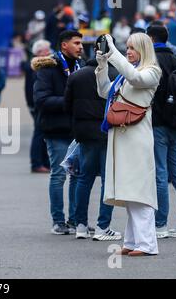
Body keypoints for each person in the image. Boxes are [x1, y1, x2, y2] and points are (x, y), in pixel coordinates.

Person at [95, 33, 162, 256]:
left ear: (144, 49)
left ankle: (147, 244)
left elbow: (135, 78)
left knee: (139, 190)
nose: (128, 51)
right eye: (128, 47)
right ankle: (133, 241)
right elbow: (104, 91)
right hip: (124, 135)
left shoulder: (152, 71)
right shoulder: (127, 73)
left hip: (137, 137)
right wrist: (102, 64)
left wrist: (112, 52)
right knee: (130, 189)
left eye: (133, 48)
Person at [64, 38, 121, 241]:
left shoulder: (76, 76)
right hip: (107, 131)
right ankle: (102, 226)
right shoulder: (115, 74)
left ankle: (80, 225)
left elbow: (67, 105)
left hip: (84, 132)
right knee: (107, 180)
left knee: (84, 178)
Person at [33, 30, 84, 234]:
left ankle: (75, 220)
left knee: (77, 176)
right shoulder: (48, 68)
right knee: (59, 175)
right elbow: (41, 100)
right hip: (55, 130)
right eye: (76, 43)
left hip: (77, 130)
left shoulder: (82, 66)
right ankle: (58, 221)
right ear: (64, 45)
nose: (81, 47)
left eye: (81, 43)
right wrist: (70, 102)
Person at [146, 25, 176, 239]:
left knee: (160, 173)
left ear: (149, 38)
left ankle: (160, 223)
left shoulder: (151, 60)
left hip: (158, 122)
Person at [22, 39, 51, 173]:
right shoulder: (35, 66)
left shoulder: (39, 65)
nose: (49, 53)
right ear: (39, 52)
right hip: (37, 104)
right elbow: (32, 88)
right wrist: (33, 105)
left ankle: (44, 162)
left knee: (43, 133)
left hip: (37, 103)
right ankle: (36, 163)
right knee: (39, 133)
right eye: (47, 50)